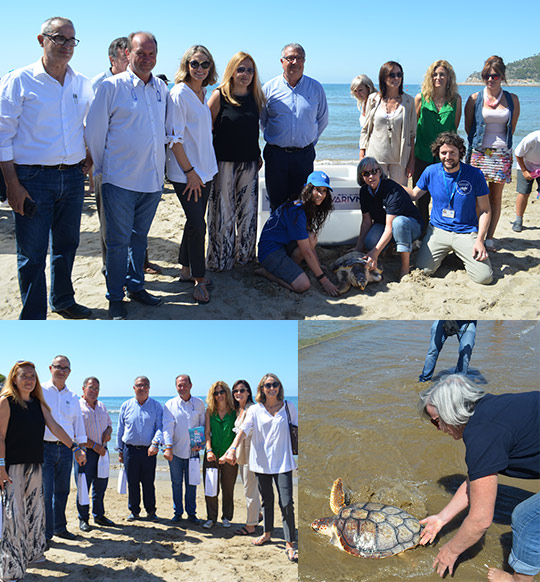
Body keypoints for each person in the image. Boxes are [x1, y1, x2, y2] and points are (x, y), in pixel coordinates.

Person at [0, 16, 93, 320]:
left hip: (72, 176)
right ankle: (33, 316)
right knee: (32, 255)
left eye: (71, 40)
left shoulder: (81, 82)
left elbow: (87, 126)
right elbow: (3, 135)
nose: (67, 46)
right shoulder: (20, 79)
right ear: (42, 40)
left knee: (67, 246)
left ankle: (63, 300)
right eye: (59, 39)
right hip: (32, 178)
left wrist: (89, 156)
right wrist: (13, 185)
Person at [418, 375, 539, 581]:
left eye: (436, 421)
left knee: (526, 518)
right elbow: (476, 479)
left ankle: (520, 579)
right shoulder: (489, 409)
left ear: (450, 412)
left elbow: (480, 521)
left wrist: (451, 550)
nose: (437, 428)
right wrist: (442, 518)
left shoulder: (482, 435)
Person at [85, 31, 170, 320]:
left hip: (152, 181)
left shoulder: (161, 88)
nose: (146, 59)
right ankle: (115, 296)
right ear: (127, 55)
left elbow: (164, 131)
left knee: (140, 239)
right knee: (118, 242)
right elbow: (94, 133)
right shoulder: (111, 87)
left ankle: (136, 286)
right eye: (140, 53)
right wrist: (104, 168)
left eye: (151, 54)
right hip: (119, 180)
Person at [0, 361, 86, 581]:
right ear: (14, 378)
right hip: (12, 468)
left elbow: (56, 428)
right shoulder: (6, 402)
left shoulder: (39, 403)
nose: (29, 379)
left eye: (32, 376)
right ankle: (11, 570)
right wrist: (0, 466)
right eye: (24, 375)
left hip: (35, 465)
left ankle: (34, 555)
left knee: (35, 513)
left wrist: (75, 447)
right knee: (14, 517)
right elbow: (0, 436)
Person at [221, 373, 298, 563]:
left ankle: (290, 543)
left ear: (279, 387)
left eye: (275, 384)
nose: (272, 388)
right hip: (261, 463)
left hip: (283, 463)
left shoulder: (289, 407)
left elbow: (298, 429)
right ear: (262, 389)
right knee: (267, 501)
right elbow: (243, 430)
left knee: (286, 502)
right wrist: (232, 449)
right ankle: (267, 533)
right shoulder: (255, 410)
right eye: (268, 385)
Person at [165, 45, 218, 305]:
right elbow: (174, 140)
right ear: (186, 65)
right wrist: (190, 172)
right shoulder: (178, 94)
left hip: (206, 170)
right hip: (187, 173)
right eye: (194, 63)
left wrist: (202, 171)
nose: (199, 69)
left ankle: (185, 269)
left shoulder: (202, 92)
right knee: (198, 224)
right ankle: (198, 279)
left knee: (193, 220)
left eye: (205, 64)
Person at [206, 51, 265, 272]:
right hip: (224, 163)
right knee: (223, 213)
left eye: (250, 70)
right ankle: (221, 260)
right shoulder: (218, 96)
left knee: (248, 212)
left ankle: (245, 257)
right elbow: (205, 131)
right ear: (232, 71)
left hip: (249, 163)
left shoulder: (255, 97)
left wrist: (258, 153)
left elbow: (253, 131)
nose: (246, 74)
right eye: (241, 69)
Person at [409, 132, 493, 285]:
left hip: (466, 231)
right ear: (437, 153)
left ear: (460, 152)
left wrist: (480, 240)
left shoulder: (475, 174)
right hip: (438, 230)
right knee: (423, 270)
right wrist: (390, 184)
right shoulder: (430, 171)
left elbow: (485, 210)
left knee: (484, 278)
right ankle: (451, 255)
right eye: (444, 153)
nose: (448, 157)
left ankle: (460, 253)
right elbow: (414, 194)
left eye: (452, 152)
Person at [260, 43, 328, 210]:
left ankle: (297, 238)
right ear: (282, 61)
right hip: (276, 155)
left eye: (298, 58)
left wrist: (308, 141)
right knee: (277, 205)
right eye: (290, 58)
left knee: (302, 204)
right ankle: (279, 237)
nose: (294, 62)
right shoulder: (269, 88)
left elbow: (322, 120)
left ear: (304, 61)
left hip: (303, 156)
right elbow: (262, 120)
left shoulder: (315, 88)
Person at [465, 56, 520, 252]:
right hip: (479, 153)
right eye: (486, 75)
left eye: (495, 75)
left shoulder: (512, 100)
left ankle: (489, 237)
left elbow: (511, 129)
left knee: (495, 198)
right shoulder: (474, 99)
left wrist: (499, 149)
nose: (490, 79)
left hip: (501, 155)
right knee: (477, 196)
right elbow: (469, 127)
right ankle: (476, 233)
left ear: (502, 77)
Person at [257, 170, 339, 296]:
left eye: (324, 190)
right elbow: (306, 251)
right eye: (317, 189)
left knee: (312, 237)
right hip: (269, 251)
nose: (321, 195)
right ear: (308, 189)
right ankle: (268, 273)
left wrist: (316, 265)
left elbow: (308, 244)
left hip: (283, 245)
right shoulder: (297, 211)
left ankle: (288, 269)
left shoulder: (307, 206)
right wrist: (323, 280)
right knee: (303, 285)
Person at [90, 36, 129, 272]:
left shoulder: (137, 83)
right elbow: (92, 128)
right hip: (106, 164)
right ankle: (109, 268)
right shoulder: (100, 84)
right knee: (108, 221)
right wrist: (98, 164)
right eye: (126, 57)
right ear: (112, 59)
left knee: (134, 221)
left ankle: (138, 263)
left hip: (133, 166)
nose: (130, 61)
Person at [353, 156, 423, 280]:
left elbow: (390, 227)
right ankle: (389, 250)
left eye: (374, 171)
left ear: (380, 171)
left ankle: (405, 267)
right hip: (387, 225)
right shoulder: (364, 191)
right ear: (361, 177)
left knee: (399, 222)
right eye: (366, 173)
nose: (371, 176)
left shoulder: (391, 189)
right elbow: (366, 222)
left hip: (411, 224)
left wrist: (375, 253)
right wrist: (358, 248)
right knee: (370, 241)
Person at [42, 354, 87, 543]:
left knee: (63, 491)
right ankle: (44, 534)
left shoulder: (73, 395)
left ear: (70, 372)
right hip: (44, 448)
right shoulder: (41, 391)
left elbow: (78, 424)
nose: (61, 371)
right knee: (46, 492)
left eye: (65, 368)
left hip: (67, 450)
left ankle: (60, 528)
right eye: (58, 367)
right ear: (50, 368)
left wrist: (80, 448)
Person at [414, 60, 462, 231]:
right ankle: (422, 231)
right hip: (422, 155)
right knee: (422, 198)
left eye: (442, 74)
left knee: (445, 195)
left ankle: (442, 229)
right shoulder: (421, 98)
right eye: (435, 74)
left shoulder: (456, 100)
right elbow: (413, 130)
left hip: (446, 158)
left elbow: (454, 128)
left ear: (449, 77)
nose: (438, 77)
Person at [360, 61, 416, 186]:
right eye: (392, 75)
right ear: (384, 78)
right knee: (376, 195)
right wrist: (362, 151)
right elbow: (366, 129)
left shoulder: (409, 102)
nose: (396, 78)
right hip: (376, 156)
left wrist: (412, 162)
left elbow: (412, 134)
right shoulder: (373, 99)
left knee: (398, 196)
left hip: (400, 159)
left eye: (399, 74)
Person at [116, 376, 163, 521]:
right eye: (139, 385)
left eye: (145, 385)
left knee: (148, 482)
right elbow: (120, 429)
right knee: (132, 482)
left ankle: (151, 511)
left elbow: (160, 428)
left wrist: (155, 443)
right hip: (130, 450)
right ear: (134, 388)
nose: (142, 388)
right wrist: (119, 450)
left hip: (149, 450)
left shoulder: (156, 406)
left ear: (149, 388)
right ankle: (134, 511)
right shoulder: (126, 405)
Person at [163, 374, 205, 525]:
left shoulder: (199, 403)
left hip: (193, 452)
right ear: (176, 387)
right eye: (179, 385)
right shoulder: (170, 405)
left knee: (191, 483)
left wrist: (201, 443)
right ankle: (178, 512)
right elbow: (167, 428)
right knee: (176, 483)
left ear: (191, 385)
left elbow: (203, 426)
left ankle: (192, 513)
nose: (182, 388)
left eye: (185, 384)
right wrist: (168, 448)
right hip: (175, 452)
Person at [77, 376, 115, 531]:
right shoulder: (77, 407)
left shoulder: (102, 406)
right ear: (83, 388)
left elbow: (109, 424)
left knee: (100, 487)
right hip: (85, 453)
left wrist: (108, 431)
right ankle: (83, 519)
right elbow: (75, 434)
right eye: (91, 388)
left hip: (102, 453)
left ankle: (99, 515)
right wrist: (94, 445)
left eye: (97, 388)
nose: (94, 391)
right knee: (83, 487)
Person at [202, 381, 238, 529]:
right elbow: (207, 433)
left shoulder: (234, 411)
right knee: (211, 489)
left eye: (222, 392)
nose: (219, 395)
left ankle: (226, 517)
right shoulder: (210, 411)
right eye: (216, 393)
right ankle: (211, 518)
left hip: (229, 456)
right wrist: (209, 450)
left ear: (227, 393)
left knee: (228, 488)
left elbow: (238, 435)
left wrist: (231, 452)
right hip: (212, 455)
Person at [231, 379, 261, 536]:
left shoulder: (252, 409)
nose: (238, 393)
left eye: (242, 390)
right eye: (235, 391)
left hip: (251, 456)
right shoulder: (240, 410)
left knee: (250, 491)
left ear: (248, 392)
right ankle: (258, 514)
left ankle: (251, 525)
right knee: (251, 489)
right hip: (242, 455)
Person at [512, 130, 540, 232]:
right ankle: (518, 220)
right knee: (524, 192)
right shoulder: (532, 138)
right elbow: (518, 154)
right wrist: (524, 171)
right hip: (525, 165)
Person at [350, 74, 376, 156]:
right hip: (368, 146)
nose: (358, 94)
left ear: (368, 88)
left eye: (360, 90)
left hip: (375, 146)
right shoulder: (363, 103)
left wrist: (362, 150)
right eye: (355, 91)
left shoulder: (375, 102)